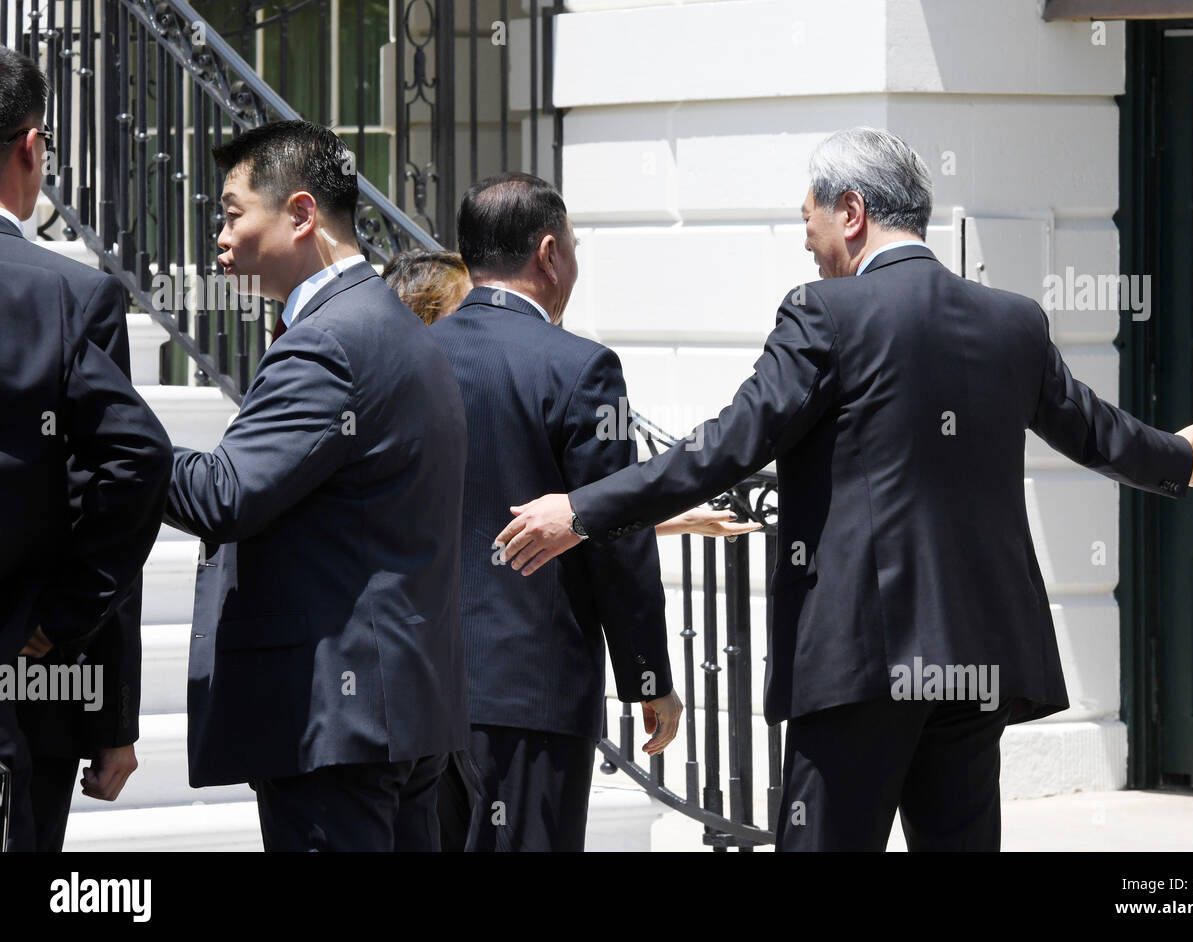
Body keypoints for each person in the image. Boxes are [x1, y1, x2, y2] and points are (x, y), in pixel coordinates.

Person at [493, 127, 1193, 852]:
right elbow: (1095, 432)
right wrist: (1175, 456)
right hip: (975, 659)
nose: (806, 241)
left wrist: (583, 509)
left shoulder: (824, 313)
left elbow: (726, 446)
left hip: (861, 660)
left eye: (809, 219)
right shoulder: (1012, 319)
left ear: (851, 212)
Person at [165, 120, 470, 851]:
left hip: (338, 727)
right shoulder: (393, 325)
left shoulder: (329, 340)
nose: (221, 239)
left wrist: (108, 430)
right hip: (402, 713)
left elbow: (224, 495)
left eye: (234, 213)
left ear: (301, 213)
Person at [427, 172, 684, 851]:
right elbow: (616, 532)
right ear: (548, 253)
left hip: (415, 685)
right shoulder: (583, 368)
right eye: (572, 246)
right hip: (528, 693)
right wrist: (649, 675)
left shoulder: (411, 357)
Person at [0, 44, 150, 850]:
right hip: (27, 691)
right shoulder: (72, 295)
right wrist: (108, 708)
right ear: (32, 147)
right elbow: (124, 476)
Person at [0, 260, 171, 851]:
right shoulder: (61, 291)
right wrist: (66, 620)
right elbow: (119, 476)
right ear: (31, 159)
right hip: (26, 676)